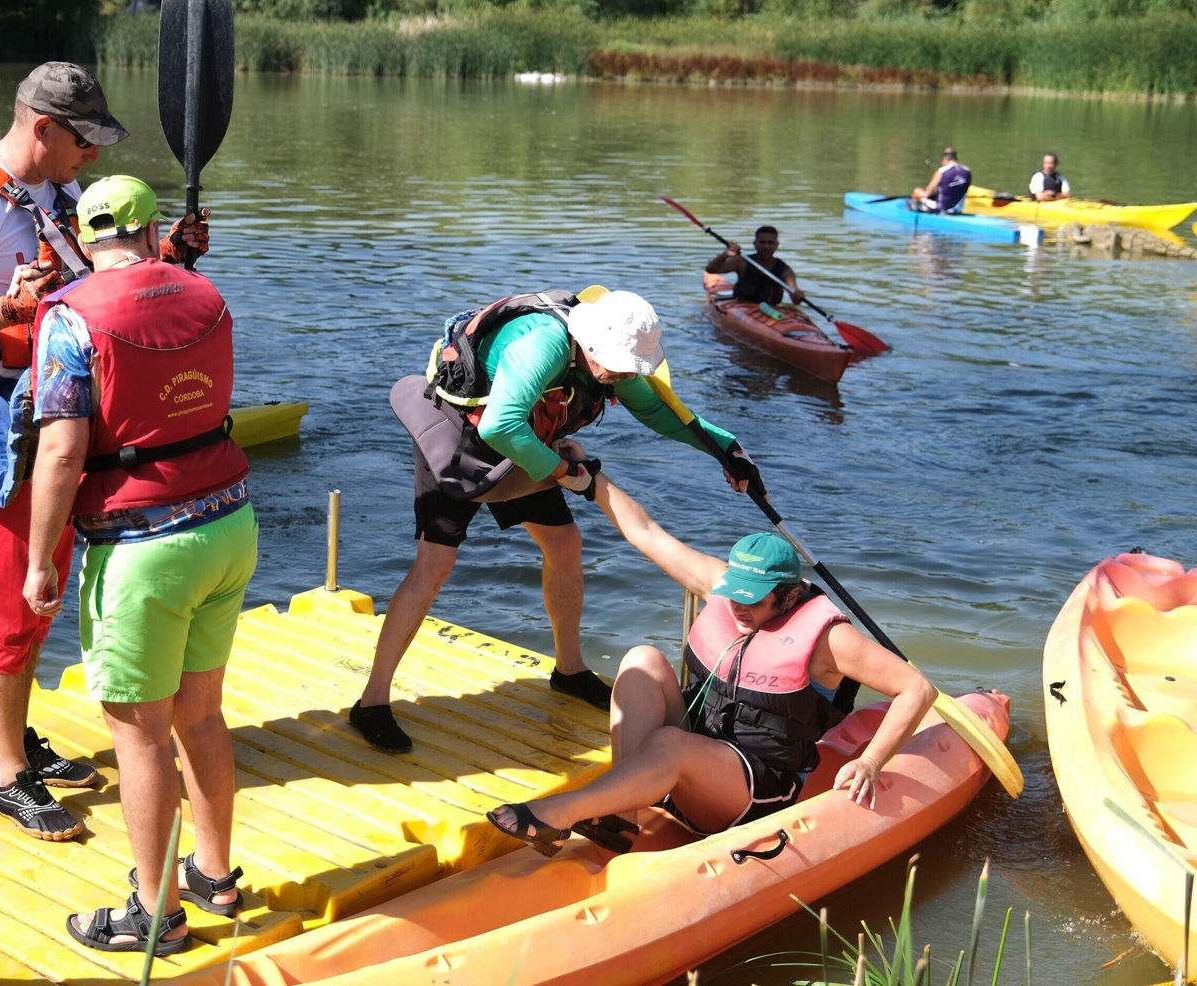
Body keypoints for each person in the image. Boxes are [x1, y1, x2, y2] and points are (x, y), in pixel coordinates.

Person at [0, 63, 206, 841]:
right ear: (43, 128)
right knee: (8, 605)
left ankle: (12, 736)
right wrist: (10, 304)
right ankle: (8, 772)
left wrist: (170, 255)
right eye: (84, 141)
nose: (92, 156)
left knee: (42, 596)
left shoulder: (59, 192)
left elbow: (96, 286)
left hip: (63, 410)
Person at [368, 289, 760, 753]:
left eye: (631, 367)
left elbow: (658, 410)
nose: (624, 376)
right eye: (619, 365)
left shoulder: (607, 364)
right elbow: (497, 426)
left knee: (564, 543)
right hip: (458, 436)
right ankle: (372, 702)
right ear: (591, 342)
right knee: (435, 564)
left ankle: (569, 670)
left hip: (523, 439)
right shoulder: (545, 345)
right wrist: (563, 472)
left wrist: (725, 448)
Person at [22, 176, 249, 956]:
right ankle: (213, 875)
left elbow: (61, 452)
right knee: (201, 714)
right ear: (154, 232)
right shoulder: (207, 295)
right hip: (230, 522)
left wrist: (40, 561)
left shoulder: (70, 318)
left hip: (143, 549)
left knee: (141, 736)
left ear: (85, 241)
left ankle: (155, 914)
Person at [486, 465, 938, 855]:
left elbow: (916, 688)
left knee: (670, 744)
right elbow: (646, 532)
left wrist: (871, 762)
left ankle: (561, 811)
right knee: (643, 659)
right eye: (735, 594)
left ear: (788, 595)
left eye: (753, 600)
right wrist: (589, 478)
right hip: (704, 751)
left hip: (756, 788)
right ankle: (619, 817)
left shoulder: (829, 639)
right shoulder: (721, 586)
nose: (738, 607)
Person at [705, 225, 804, 306]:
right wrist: (725, 255)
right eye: (762, 243)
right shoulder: (741, 261)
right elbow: (711, 270)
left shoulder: (786, 271)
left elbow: (795, 301)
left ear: (776, 244)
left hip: (771, 309)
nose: (766, 247)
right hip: (743, 306)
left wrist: (798, 295)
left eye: (770, 243)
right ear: (755, 244)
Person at [910, 148, 972, 213]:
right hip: (959, 210)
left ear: (945, 159)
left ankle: (913, 212)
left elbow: (927, 194)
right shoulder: (967, 171)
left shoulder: (942, 171)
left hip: (941, 209)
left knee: (917, 191)